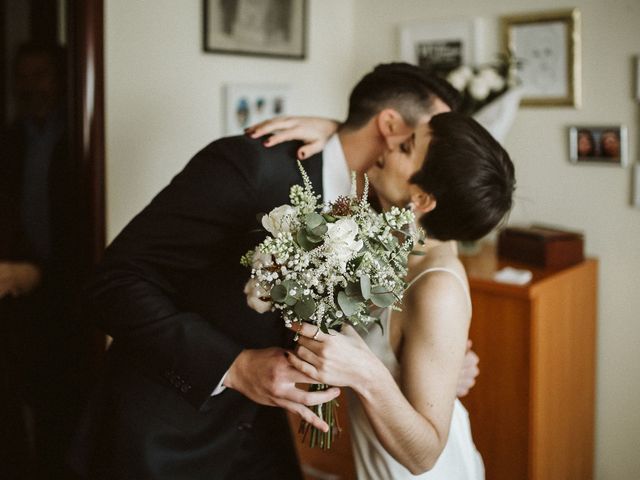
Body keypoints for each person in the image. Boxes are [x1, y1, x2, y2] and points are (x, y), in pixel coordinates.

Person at [69, 62, 461, 480]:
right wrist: (234, 366)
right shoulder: (250, 167)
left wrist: (433, 358)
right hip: (165, 440)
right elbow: (111, 283)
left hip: (260, 441)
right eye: (433, 136)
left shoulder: (388, 206)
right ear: (391, 126)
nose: (446, 151)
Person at [258, 112, 514, 478]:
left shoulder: (438, 288)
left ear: (422, 198)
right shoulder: (393, 234)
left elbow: (424, 455)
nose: (389, 139)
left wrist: (364, 372)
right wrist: (334, 130)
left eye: (406, 146)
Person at [1, 42, 92, 479]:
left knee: (66, 403)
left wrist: (47, 275)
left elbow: (84, 226)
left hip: (69, 291)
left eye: (41, 75)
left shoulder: (81, 137)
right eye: (23, 76)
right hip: (14, 288)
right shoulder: (10, 139)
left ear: (60, 79)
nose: (30, 86)